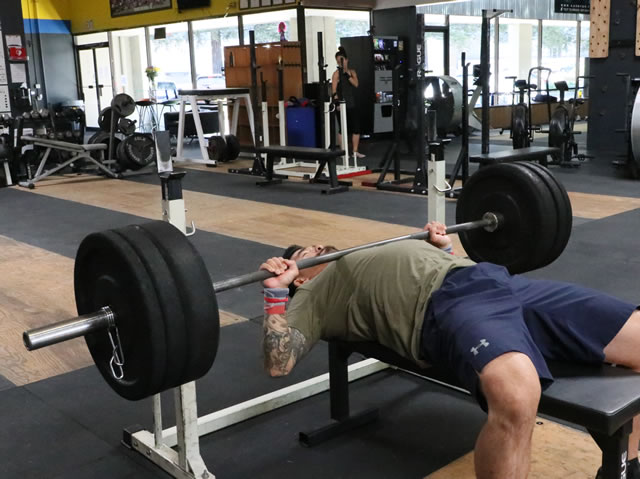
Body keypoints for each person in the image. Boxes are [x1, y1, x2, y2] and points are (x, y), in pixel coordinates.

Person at [259, 222, 640, 479]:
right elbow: (279, 362)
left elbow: (442, 265)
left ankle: (628, 467)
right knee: (516, 393)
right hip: (447, 305)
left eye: (318, 245)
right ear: (299, 276)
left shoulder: (364, 254)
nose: (319, 247)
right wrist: (277, 292)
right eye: (306, 253)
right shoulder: (314, 292)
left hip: (493, 280)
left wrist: (446, 249)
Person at [331, 46, 364, 160]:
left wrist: (346, 74)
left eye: (342, 60)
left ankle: (355, 151)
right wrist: (337, 103)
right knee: (342, 128)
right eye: (338, 61)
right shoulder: (336, 74)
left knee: (356, 128)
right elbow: (334, 91)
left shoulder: (352, 72)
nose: (340, 63)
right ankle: (343, 152)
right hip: (341, 104)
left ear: (346, 60)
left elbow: (356, 84)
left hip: (351, 103)